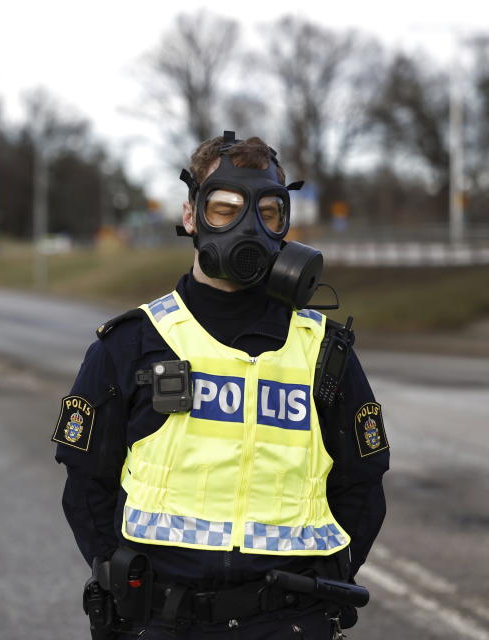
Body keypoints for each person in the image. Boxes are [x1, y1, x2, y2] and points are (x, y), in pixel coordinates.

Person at [53, 132, 389, 639]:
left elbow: (362, 491)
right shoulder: (132, 344)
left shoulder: (325, 352)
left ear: (285, 224)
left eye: (268, 212)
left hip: (290, 623)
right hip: (163, 621)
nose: (249, 226)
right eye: (226, 208)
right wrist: (122, 584)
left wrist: (318, 597)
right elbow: (86, 486)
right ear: (191, 216)